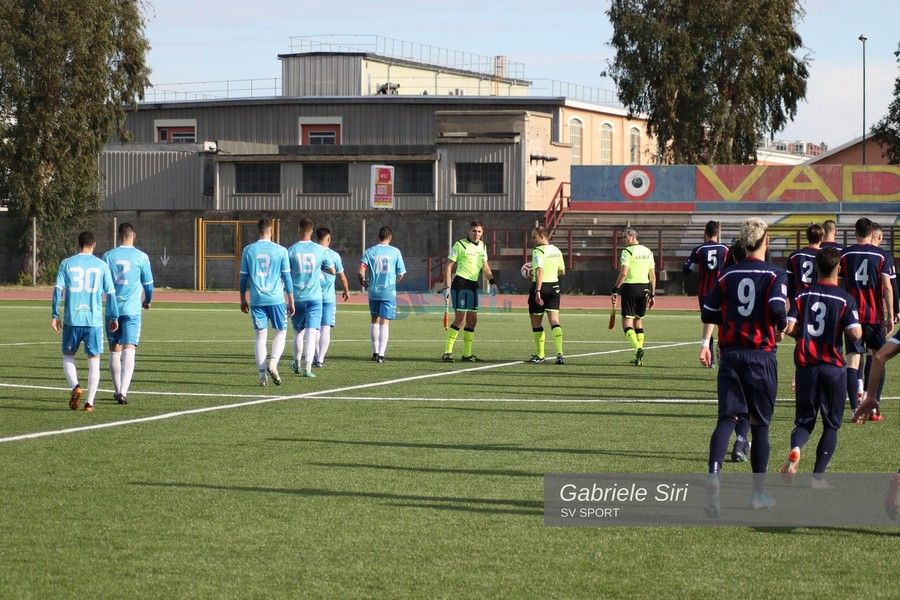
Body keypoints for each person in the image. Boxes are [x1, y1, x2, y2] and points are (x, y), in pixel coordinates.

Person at [700, 218, 788, 515]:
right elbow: (777, 308)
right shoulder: (776, 274)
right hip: (760, 355)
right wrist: (782, 324)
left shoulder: (727, 276)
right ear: (766, 240)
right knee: (760, 425)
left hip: (731, 354)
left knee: (726, 419)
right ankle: (758, 494)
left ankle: (714, 476)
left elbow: (708, 312)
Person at [781, 247, 862, 483]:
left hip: (806, 367)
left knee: (804, 421)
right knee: (831, 425)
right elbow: (856, 334)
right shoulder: (845, 299)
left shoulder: (802, 295)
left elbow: (789, 328)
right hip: (833, 368)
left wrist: (803, 333)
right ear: (839, 268)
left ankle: (796, 448)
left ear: (816, 267)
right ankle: (817, 477)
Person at [51, 231, 119, 412]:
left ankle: (75, 386)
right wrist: (114, 316)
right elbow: (111, 294)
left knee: (67, 356)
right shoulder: (101, 265)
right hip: (93, 320)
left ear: (78, 244)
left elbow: (57, 290)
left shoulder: (66, 263)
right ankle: (89, 403)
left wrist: (55, 315)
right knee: (94, 361)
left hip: (73, 319)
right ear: (94, 245)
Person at [839, 218, 894, 416]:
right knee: (878, 357)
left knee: (853, 361)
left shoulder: (845, 254)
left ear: (855, 232)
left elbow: (841, 285)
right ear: (871, 233)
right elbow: (887, 287)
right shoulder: (881, 255)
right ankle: (874, 409)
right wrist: (890, 314)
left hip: (852, 316)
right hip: (874, 315)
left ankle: (855, 409)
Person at [102, 223, 154, 405]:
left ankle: (116, 390)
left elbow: (104, 284)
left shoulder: (108, 256)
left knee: (114, 350)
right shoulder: (141, 257)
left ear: (118, 236)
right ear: (134, 236)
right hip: (132, 310)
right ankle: (124, 391)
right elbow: (148, 285)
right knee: (129, 348)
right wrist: (147, 300)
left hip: (112, 310)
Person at [239, 218, 294, 386]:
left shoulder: (248, 250)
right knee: (281, 332)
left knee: (260, 337)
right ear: (271, 231)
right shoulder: (281, 250)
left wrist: (242, 299)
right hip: (276, 298)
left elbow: (243, 277)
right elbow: (287, 277)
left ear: (258, 231)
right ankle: (273, 363)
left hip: (257, 299)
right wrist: (291, 300)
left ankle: (262, 375)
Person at [441, 221, 498, 363]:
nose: (476, 234)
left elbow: (485, 266)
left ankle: (467, 354)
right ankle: (447, 352)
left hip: (473, 285)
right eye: (474, 231)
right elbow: (449, 266)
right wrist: (447, 287)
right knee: (460, 319)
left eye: (479, 231)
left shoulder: (483, 246)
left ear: (482, 232)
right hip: (460, 284)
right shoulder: (459, 245)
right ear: (469, 231)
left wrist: (492, 283)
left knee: (472, 320)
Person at [288, 218, 334, 377]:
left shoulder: (291, 250)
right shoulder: (320, 250)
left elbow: (286, 274)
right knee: (312, 332)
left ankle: (296, 363)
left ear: (299, 230)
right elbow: (332, 270)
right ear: (311, 232)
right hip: (315, 297)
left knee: (298, 333)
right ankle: (308, 369)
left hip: (297, 297)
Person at [682, 220, 729, 363]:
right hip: (722, 291)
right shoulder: (725, 249)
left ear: (705, 232)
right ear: (717, 233)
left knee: (709, 320)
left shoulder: (699, 250)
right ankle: (723, 357)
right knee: (722, 323)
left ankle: (711, 360)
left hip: (705, 292)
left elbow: (687, 269)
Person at [359, 226, 406, 363]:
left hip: (373, 292)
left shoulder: (370, 251)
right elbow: (401, 273)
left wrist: (362, 282)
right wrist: (394, 283)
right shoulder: (395, 252)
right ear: (390, 238)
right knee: (385, 323)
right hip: (388, 292)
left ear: (378, 237)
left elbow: (360, 271)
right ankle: (381, 355)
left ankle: (374, 353)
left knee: (374, 320)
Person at [612, 227, 656, 366]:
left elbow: (624, 273)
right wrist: (653, 294)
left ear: (632, 237)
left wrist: (615, 289)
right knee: (638, 321)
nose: (622, 240)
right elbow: (653, 275)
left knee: (627, 323)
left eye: (624, 237)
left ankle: (638, 349)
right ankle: (639, 358)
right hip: (644, 288)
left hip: (630, 288)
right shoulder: (648, 251)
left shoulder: (627, 252)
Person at [527, 225, 565, 364]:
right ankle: (560, 353)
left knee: (536, 321)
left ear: (542, 236)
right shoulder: (557, 250)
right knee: (554, 321)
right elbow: (562, 271)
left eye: (534, 236)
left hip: (541, 288)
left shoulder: (537, 251)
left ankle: (541, 355)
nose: (532, 239)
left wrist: (537, 291)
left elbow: (540, 271)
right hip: (554, 287)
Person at [313, 227, 350, 368]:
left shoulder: (312, 252)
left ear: (317, 238)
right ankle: (320, 359)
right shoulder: (334, 255)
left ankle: (314, 356)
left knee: (313, 328)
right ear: (328, 238)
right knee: (326, 328)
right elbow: (341, 276)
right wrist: (346, 290)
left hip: (312, 296)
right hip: (328, 298)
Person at [785, 224, 824, 301]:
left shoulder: (795, 255)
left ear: (807, 237)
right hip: (817, 299)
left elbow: (789, 281)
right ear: (822, 238)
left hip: (799, 298)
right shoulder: (824, 256)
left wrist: (790, 298)